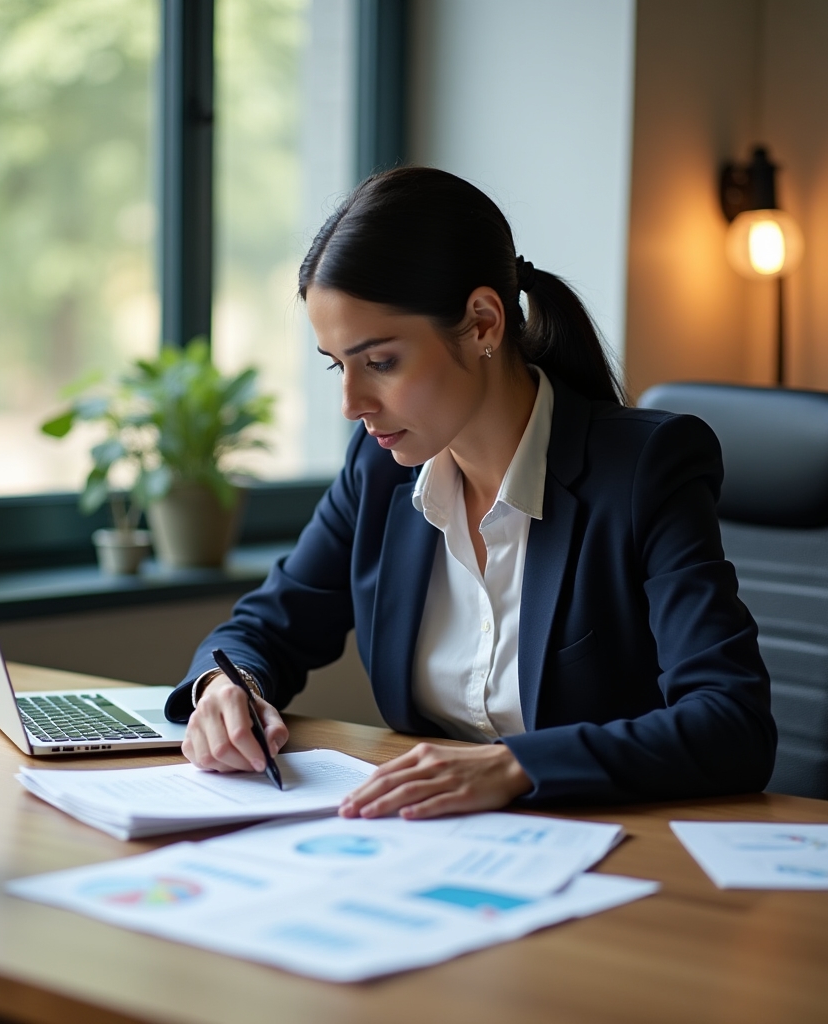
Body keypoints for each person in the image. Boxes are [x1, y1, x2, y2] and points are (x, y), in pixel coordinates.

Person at [164, 166, 776, 819]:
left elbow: (730, 723)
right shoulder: (380, 472)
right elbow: (267, 625)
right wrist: (227, 688)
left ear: (483, 323)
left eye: (380, 362)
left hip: (615, 853)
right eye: (336, 365)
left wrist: (515, 766)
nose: (351, 404)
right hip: (440, 849)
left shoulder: (644, 469)